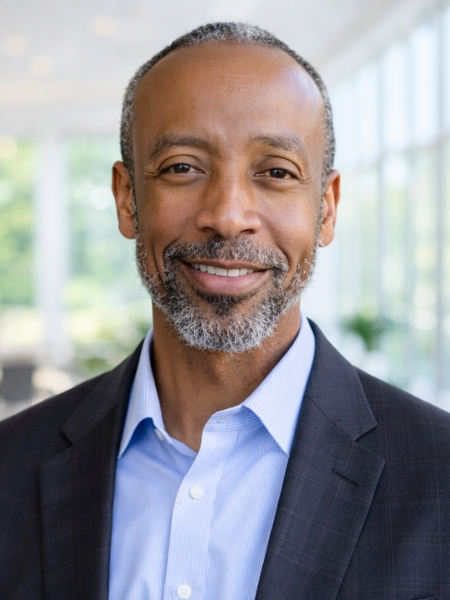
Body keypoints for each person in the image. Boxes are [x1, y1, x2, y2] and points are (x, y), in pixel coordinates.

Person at [0, 22, 449, 600]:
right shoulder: (10, 470)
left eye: (277, 172)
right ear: (127, 198)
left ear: (327, 209)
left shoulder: (439, 480)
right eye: (183, 167)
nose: (229, 215)